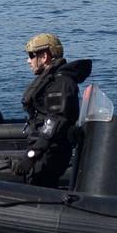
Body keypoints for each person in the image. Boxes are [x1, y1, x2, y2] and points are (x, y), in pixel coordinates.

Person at [13, 33, 82, 188]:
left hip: (50, 154)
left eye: (31, 56)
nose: (28, 61)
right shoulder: (52, 81)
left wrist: (32, 156)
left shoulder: (60, 84)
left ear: (44, 57)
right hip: (44, 151)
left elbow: (54, 122)